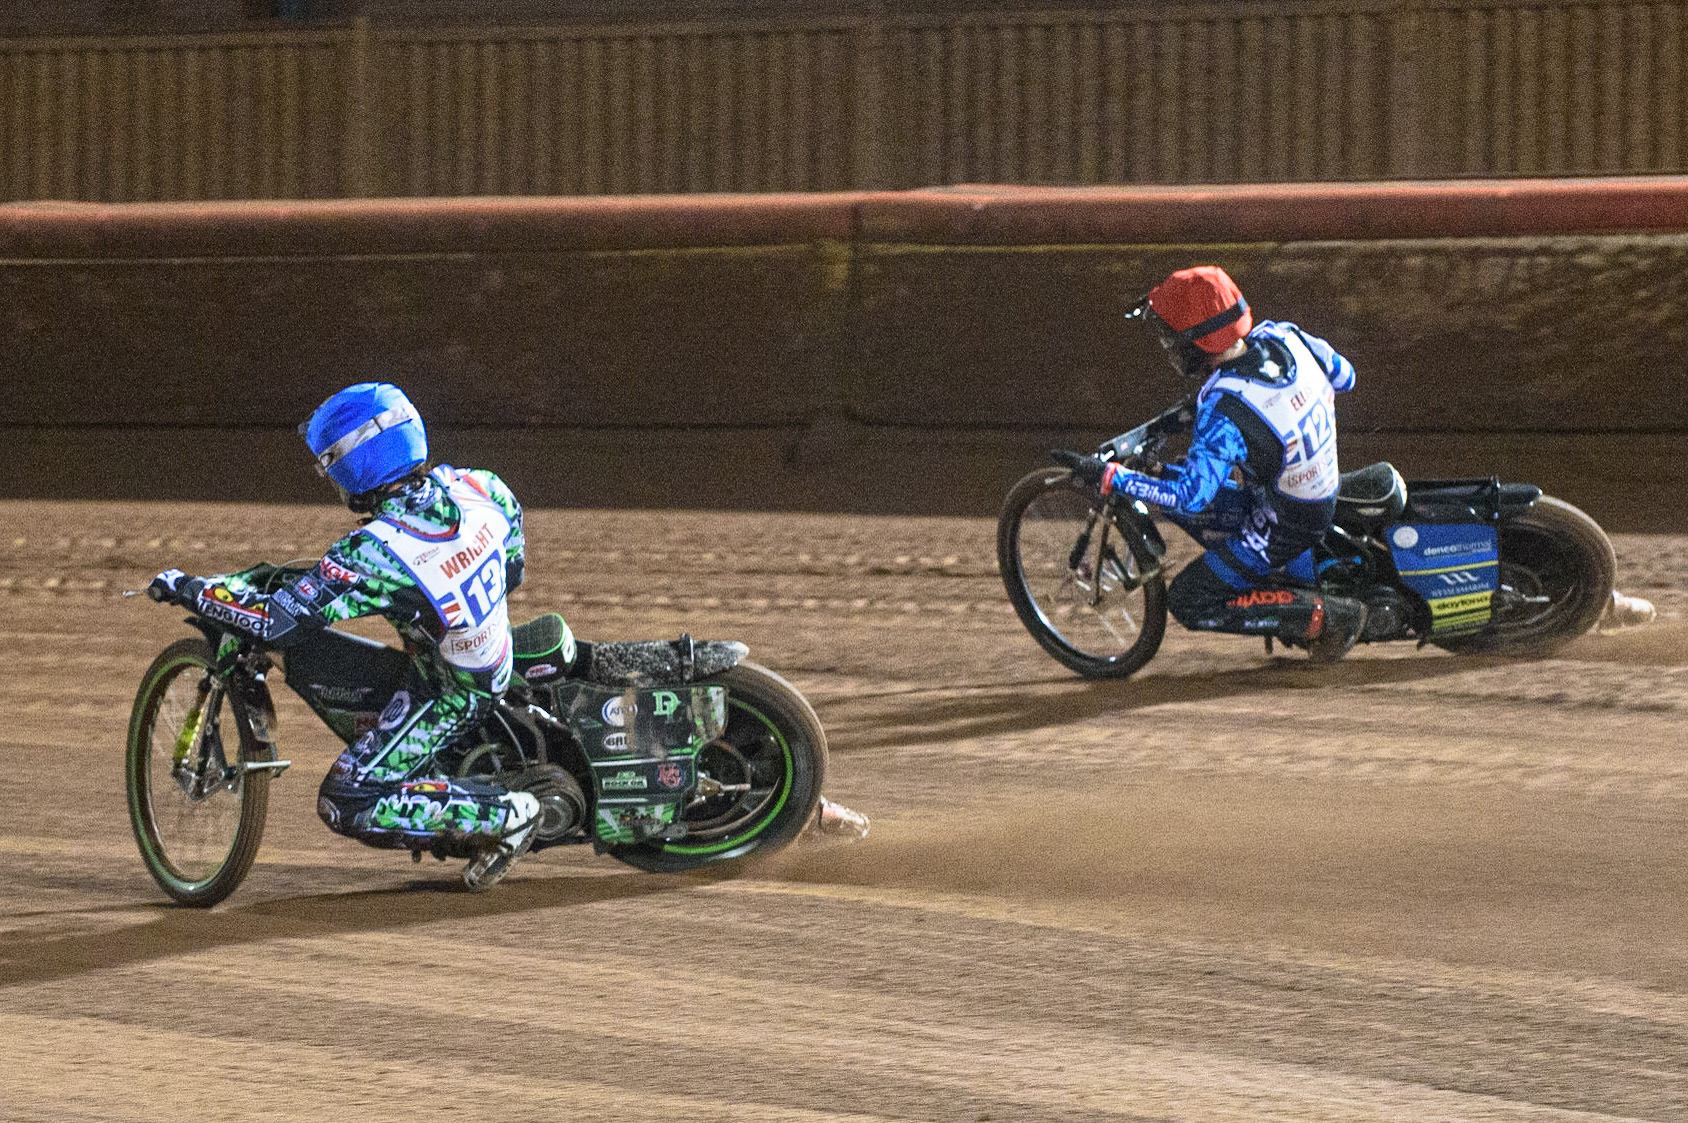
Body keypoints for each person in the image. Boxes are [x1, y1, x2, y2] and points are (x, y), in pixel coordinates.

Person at [148, 382, 870, 892]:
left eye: (326, 462)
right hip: (497, 641)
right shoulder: (477, 485)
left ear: (353, 462)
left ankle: (507, 811)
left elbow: (279, 621)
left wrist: (188, 588)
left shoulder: (373, 551)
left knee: (348, 798)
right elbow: (515, 563)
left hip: (457, 686)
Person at [1061, 265, 1369, 661]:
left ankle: (1325, 618)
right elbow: (1346, 377)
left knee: (1189, 599)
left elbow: (1190, 498)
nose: (1168, 344)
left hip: (1285, 522)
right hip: (1315, 485)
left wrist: (1112, 477)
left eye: (1171, 336)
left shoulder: (1223, 411)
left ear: (1196, 342)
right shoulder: (1283, 335)